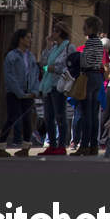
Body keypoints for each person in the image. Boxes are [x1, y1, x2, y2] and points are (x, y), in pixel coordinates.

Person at [0, 28, 39, 157]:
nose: (30, 40)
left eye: (30, 37)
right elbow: (10, 76)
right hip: (14, 93)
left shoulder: (31, 56)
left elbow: (34, 74)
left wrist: (34, 91)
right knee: (12, 118)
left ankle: (26, 147)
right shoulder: (12, 55)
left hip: (28, 93)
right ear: (20, 39)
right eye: (27, 37)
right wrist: (19, 92)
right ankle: (1, 146)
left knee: (27, 120)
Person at [72, 16, 107, 156]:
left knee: (86, 113)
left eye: (85, 26)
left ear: (91, 28)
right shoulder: (99, 42)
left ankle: (84, 145)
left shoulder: (91, 42)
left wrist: (78, 58)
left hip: (89, 77)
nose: (83, 29)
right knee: (93, 113)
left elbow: (86, 62)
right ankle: (93, 145)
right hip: (97, 78)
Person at [38, 24, 73, 155]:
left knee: (60, 116)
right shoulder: (53, 47)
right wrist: (47, 46)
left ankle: (61, 145)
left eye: (54, 31)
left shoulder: (69, 47)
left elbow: (71, 65)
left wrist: (56, 69)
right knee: (48, 116)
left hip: (59, 85)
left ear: (59, 33)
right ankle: (52, 145)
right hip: (48, 85)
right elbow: (43, 63)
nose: (52, 33)